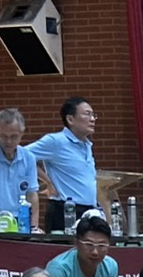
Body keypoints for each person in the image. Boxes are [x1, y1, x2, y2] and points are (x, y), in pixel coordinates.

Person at [27, 96, 99, 233]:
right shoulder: (55, 141)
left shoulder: (87, 145)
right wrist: (47, 181)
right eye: (87, 114)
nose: (92, 119)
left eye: (93, 115)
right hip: (64, 211)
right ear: (70, 119)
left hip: (89, 211)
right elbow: (22, 156)